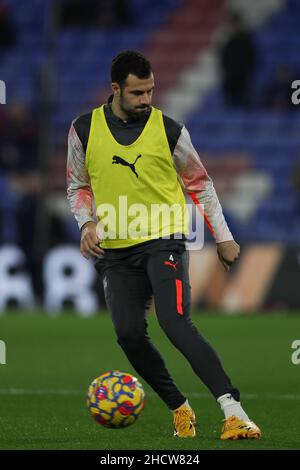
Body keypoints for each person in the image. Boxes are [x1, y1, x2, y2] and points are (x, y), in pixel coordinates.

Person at [66, 50, 261, 440]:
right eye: (137, 93)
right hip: (116, 248)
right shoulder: (84, 129)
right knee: (128, 335)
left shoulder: (169, 130)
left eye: (151, 91)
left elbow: (200, 184)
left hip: (164, 240)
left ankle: (234, 411)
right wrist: (86, 223)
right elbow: (78, 185)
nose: (146, 100)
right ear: (115, 90)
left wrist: (224, 238)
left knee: (174, 323)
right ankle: (179, 408)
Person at [218, 11, 257, 108]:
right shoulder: (227, 41)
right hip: (230, 76)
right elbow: (223, 57)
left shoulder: (247, 40)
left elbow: (252, 57)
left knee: (245, 101)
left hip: (243, 76)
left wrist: (246, 69)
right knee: (228, 102)